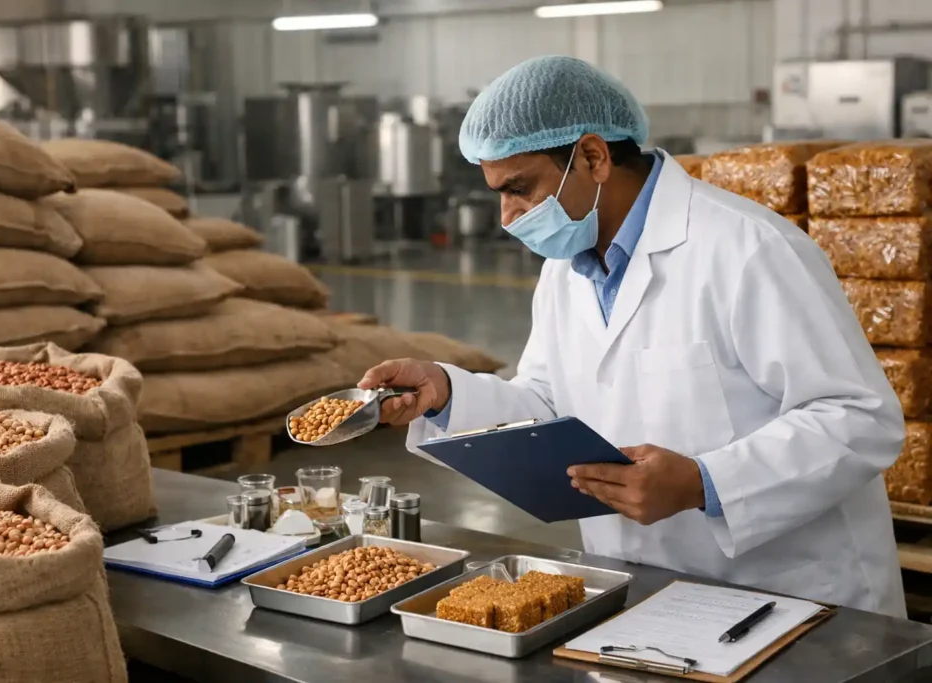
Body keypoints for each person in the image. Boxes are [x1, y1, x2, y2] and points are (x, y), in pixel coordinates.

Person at [359, 55, 907, 617]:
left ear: (593, 157)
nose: (508, 216)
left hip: (791, 594)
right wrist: (447, 392)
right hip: (649, 592)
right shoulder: (567, 267)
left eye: (520, 188)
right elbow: (548, 404)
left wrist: (704, 483)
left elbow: (860, 417)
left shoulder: (747, 248)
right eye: (498, 192)